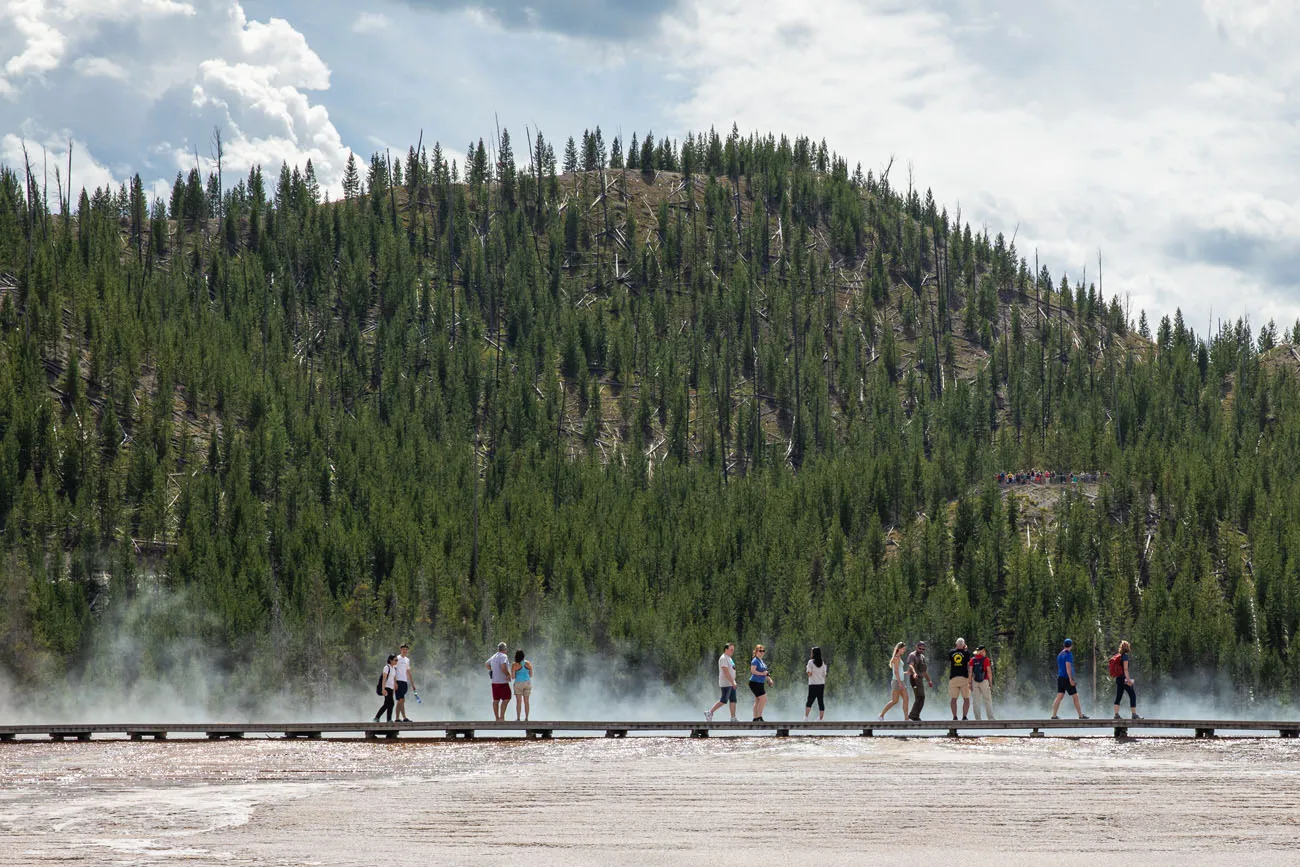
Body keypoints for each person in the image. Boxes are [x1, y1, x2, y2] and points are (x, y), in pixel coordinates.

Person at [1051, 638, 1090, 719]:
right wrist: (1070, 679)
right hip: (1066, 677)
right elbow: (1068, 666)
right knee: (1075, 696)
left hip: (1060, 677)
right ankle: (1080, 715)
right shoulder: (1068, 654)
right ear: (1071, 645)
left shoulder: (1060, 654)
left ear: (1064, 645)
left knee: (1059, 696)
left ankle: (1054, 715)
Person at [878, 642, 911, 720]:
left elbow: (898, 671)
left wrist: (906, 673)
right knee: (900, 699)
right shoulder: (896, 658)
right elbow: (896, 672)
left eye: (904, 649)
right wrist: (900, 683)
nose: (904, 650)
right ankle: (881, 715)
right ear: (899, 649)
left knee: (898, 700)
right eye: (903, 649)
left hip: (898, 681)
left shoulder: (898, 657)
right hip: (897, 682)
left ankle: (882, 715)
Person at [706, 643, 739, 722]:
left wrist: (733, 681)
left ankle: (733, 718)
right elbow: (725, 671)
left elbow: (732, 670)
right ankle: (709, 712)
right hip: (726, 683)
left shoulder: (729, 658)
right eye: (731, 649)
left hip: (731, 682)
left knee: (733, 700)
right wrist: (732, 681)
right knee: (724, 700)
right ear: (726, 649)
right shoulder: (723, 658)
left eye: (733, 650)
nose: (732, 651)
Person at [1112, 640, 1141, 720]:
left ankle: (1116, 715)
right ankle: (1134, 714)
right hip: (1124, 679)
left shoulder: (1119, 655)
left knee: (1118, 696)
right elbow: (1125, 670)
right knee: (1132, 695)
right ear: (1127, 647)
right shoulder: (1125, 656)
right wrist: (1128, 680)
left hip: (1118, 679)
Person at [906, 641, 933, 721]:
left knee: (921, 697)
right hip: (914, 679)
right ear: (916, 647)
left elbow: (924, 671)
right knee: (919, 696)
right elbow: (911, 665)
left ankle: (915, 715)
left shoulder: (922, 657)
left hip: (920, 679)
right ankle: (912, 715)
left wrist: (929, 681)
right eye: (920, 648)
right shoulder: (912, 655)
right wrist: (914, 673)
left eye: (923, 649)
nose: (921, 650)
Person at [946, 638, 973, 721]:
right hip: (964, 678)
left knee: (953, 699)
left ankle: (954, 716)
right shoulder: (966, 653)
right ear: (964, 644)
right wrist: (965, 649)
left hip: (953, 678)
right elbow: (969, 664)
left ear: (956, 644)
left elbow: (951, 658)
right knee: (966, 699)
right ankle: (964, 717)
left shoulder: (951, 652)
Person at [486, 642, 512, 721]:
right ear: (505, 649)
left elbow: (486, 664)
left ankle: (497, 718)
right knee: (507, 698)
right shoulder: (503, 656)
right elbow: (503, 667)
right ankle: (502, 717)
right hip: (502, 682)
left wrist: (492, 670)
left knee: (496, 700)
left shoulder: (494, 656)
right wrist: (508, 675)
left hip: (494, 682)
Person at [749, 645, 774, 721]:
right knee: (763, 699)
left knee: (758, 700)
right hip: (754, 682)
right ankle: (759, 717)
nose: (762, 653)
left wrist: (769, 679)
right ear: (756, 652)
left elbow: (765, 673)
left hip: (760, 683)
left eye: (763, 651)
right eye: (760, 651)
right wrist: (763, 674)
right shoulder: (755, 660)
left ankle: (755, 718)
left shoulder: (762, 661)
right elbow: (753, 671)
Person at [970, 645, 994, 720]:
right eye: (985, 651)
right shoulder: (986, 660)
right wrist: (990, 683)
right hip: (984, 680)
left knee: (976, 701)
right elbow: (989, 672)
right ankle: (990, 718)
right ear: (982, 651)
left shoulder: (972, 660)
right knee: (987, 700)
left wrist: (969, 683)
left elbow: (970, 672)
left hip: (975, 681)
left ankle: (978, 719)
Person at [805, 646, 827, 721]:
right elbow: (824, 675)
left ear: (814, 653)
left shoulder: (810, 662)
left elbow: (809, 674)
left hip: (813, 684)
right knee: (820, 701)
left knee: (810, 700)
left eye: (811, 652)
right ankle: (821, 718)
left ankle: (806, 717)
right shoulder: (822, 663)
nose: (811, 653)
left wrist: (808, 669)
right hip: (821, 684)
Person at [373, 654, 397, 723]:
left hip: (390, 688)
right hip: (386, 688)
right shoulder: (387, 667)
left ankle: (378, 718)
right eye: (395, 660)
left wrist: (393, 690)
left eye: (397, 660)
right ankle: (386, 719)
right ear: (390, 660)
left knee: (388, 704)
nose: (396, 661)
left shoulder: (394, 668)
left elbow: (392, 680)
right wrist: (383, 689)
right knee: (390, 703)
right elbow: (384, 679)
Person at [512, 649, 534, 722]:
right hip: (527, 682)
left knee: (519, 701)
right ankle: (526, 718)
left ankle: (518, 718)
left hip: (518, 683)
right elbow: (531, 675)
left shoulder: (514, 664)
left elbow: (513, 677)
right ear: (523, 656)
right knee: (526, 701)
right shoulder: (528, 663)